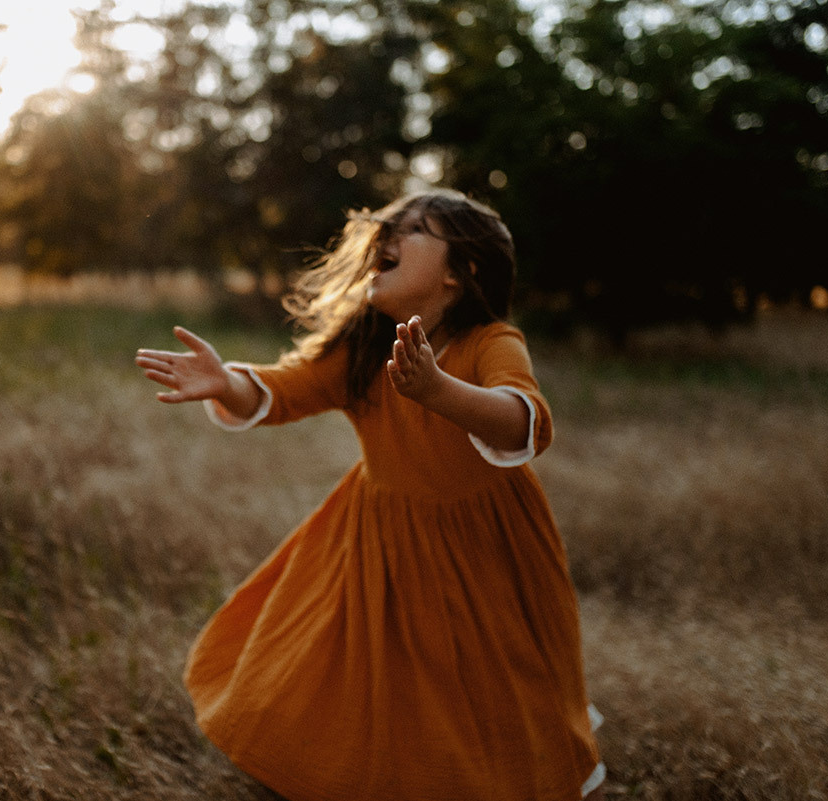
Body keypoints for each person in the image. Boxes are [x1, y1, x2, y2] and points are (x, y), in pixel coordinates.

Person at [135, 188, 605, 801]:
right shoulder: (364, 346)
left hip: (485, 545)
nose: (389, 235)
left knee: (490, 688)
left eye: (414, 230)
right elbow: (284, 391)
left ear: (459, 274)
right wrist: (229, 383)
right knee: (375, 680)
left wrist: (438, 391)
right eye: (389, 225)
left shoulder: (492, 340)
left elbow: (526, 421)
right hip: (378, 540)